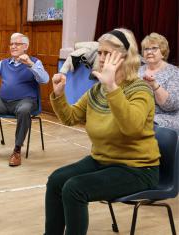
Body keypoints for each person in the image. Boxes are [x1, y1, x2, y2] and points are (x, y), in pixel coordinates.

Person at [45, 28, 160, 234]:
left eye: (108, 53)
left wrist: (112, 88)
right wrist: (59, 94)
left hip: (138, 169)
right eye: (100, 53)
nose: (101, 58)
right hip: (103, 160)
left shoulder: (140, 90)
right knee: (56, 180)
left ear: (125, 57)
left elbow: (131, 128)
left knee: (74, 188)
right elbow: (70, 118)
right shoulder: (97, 90)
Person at [0, 33, 49, 166]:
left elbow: (44, 80)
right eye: (11, 44)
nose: (13, 46)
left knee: (24, 110)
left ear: (25, 46)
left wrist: (31, 65)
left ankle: (17, 150)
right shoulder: (3, 63)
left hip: (26, 101)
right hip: (3, 102)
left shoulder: (35, 62)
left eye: (17, 44)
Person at [139, 32, 179, 131]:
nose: (149, 52)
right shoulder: (137, 70)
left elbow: (171, 106)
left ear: (163, 52)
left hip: (164, 116)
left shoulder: (174, 72)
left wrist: (155, 86)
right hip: (138, 112)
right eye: (146, 49)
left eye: (154, 48)